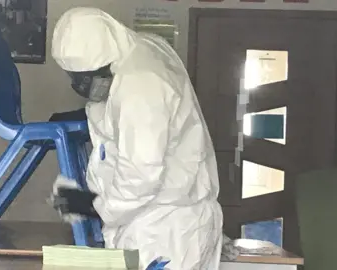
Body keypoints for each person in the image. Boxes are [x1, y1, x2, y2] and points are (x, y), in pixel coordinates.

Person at [51, 7, 223, 269]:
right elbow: (123, 125)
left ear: (108, 63)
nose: (82, 86)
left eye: (89, 76)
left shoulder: (142, 85)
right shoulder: (141, 49)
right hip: (159, 222)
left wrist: (92, 206)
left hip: (164, 231)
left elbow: (140, 174)